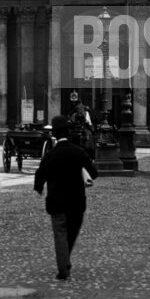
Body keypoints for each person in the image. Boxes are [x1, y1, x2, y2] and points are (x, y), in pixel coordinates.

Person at [34, 115, 98, 280]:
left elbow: (40, 174)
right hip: (76, 202)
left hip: (57, 202)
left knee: (60, 234)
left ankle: (63, 266)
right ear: (68, 133)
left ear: (55, 134)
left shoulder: (50, 154)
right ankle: (65, 261)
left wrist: (39, 187)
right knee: (71, 232)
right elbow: (94, 174)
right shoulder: (78, 152)